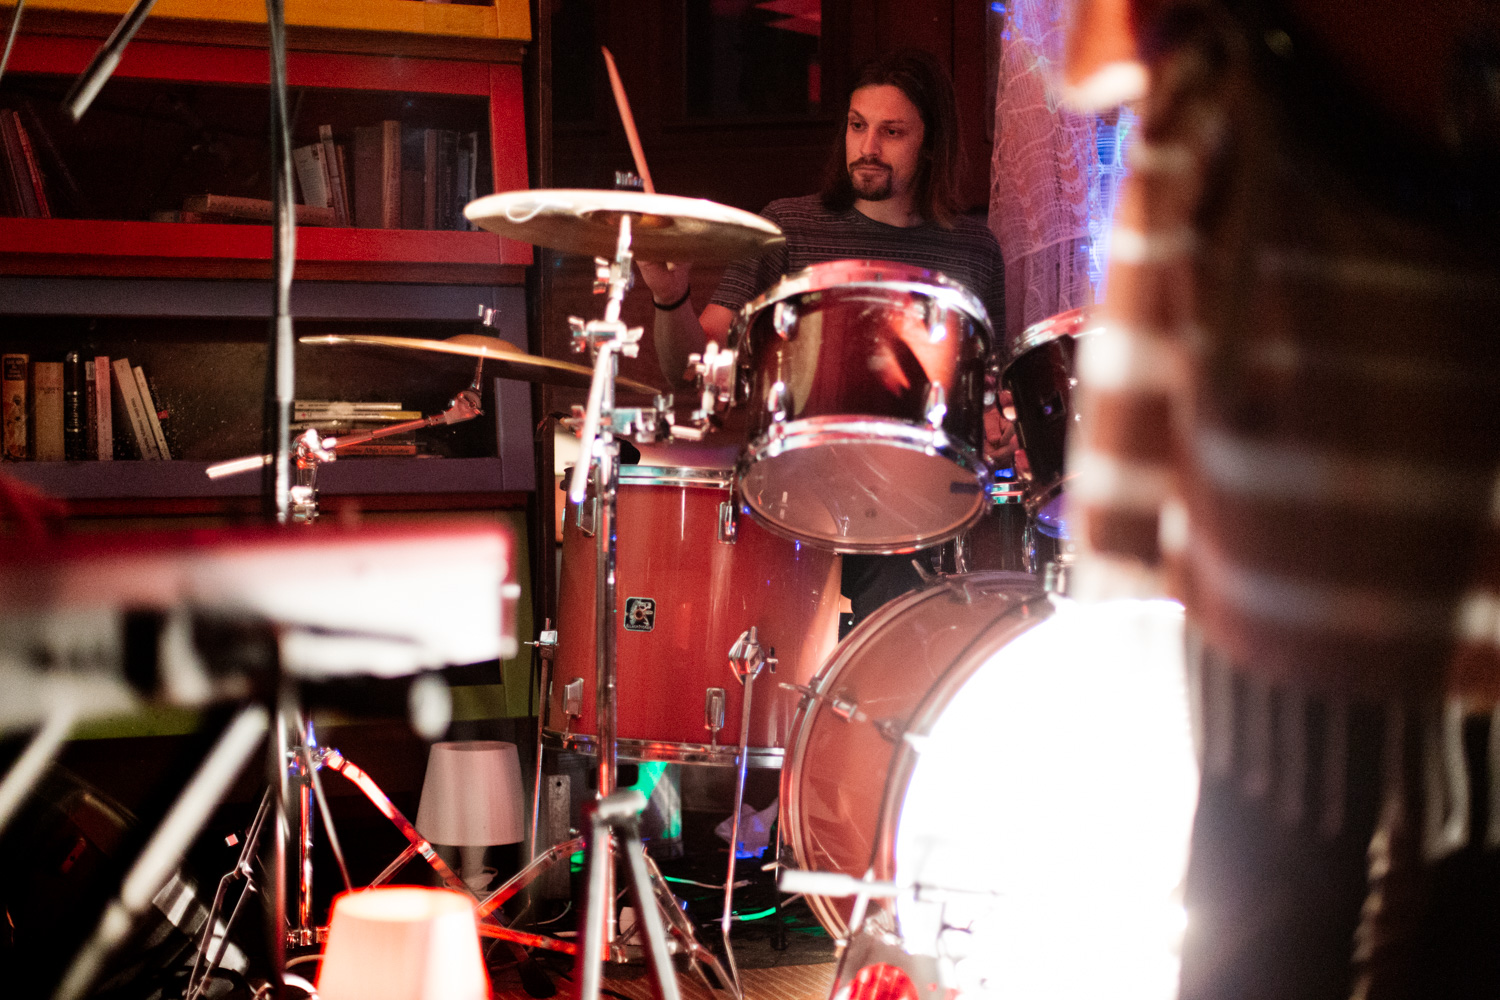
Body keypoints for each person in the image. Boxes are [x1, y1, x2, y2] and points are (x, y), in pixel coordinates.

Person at [1064, 1, 1500, 998]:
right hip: (1358, 515)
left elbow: (1101, 63)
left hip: (1290, 530)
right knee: (1435, 911)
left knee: (1277, 908)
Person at [638, 49, 1009, 621]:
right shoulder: (785, 228)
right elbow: (688, 370)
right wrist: (671, 297)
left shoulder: (974, 250)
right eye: (858, 126)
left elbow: (988, 394)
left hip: (915, 506)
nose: (868, 147)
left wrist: (996, 423)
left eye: (892, 132)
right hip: (796, 494)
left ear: (931, 143)